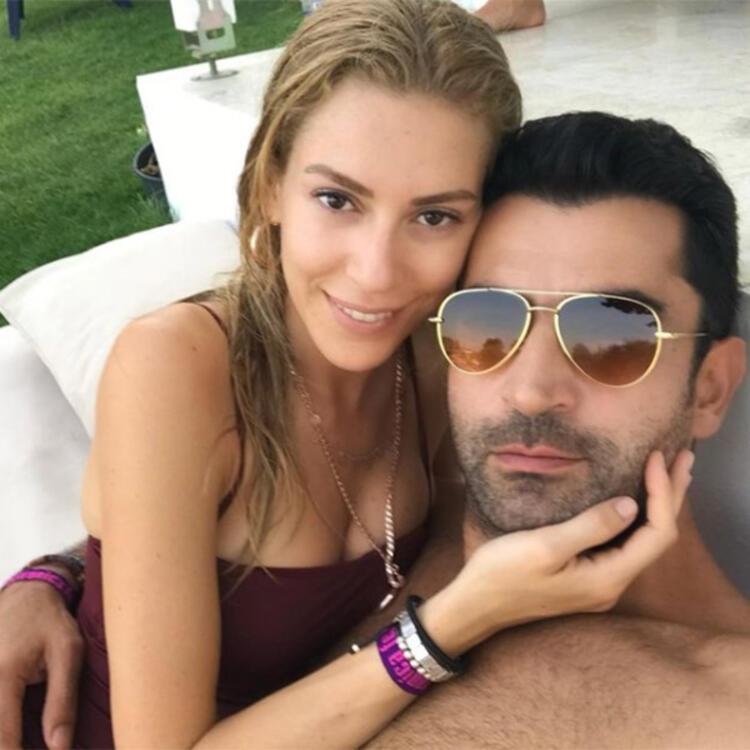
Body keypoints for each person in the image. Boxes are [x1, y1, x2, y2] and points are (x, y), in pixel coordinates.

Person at [0, 3, 689, 749]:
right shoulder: (177, 367)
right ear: (270, 185)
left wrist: (57, 571)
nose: (377, 272)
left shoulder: (439, 354)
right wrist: (456, 621)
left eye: (434, 217)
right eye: (337, 200)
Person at [365, 112, 750, 748]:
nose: (532, 390)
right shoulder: (363, 548)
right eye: (487, 322)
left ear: (710, 388)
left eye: (613, 334)